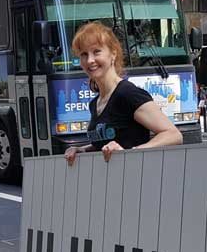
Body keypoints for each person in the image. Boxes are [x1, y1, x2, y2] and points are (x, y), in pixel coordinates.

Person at [62, 21, 181, 167]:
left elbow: (173, 134)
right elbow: (107, 144)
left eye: (96, 52)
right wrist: (83, 150)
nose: (90, 60)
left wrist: (133, 152)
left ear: (113, 54)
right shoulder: (95, 103)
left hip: (136, 177)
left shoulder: (128, 94)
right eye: (84, 54)